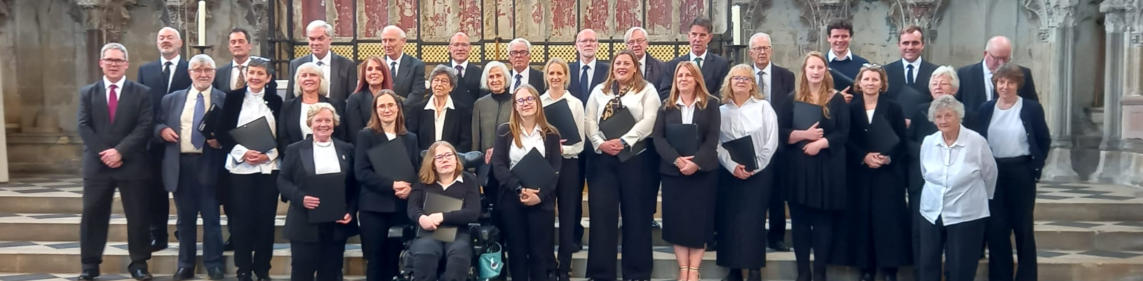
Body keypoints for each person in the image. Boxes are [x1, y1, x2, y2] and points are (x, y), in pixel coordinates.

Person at [78, 43, 155, 281]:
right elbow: (83, 125)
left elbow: (145, 126)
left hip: (132, 163)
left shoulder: (142, 92)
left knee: (138, 215)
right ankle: (90, 265)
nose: (113, 64)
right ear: (101, 63)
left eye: (118, 60)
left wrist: (120, 151)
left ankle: (139, 264)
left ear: (126, 64)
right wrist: (106, 152)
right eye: (109, 60)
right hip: (97, 164)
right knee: (93, 214)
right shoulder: (88, 92)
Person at [584, 50, 661, 281]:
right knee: (601, 216)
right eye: (618, 63)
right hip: (603, 160)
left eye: (627, 63)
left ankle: (637, 272)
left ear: (636, 67)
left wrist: (624, 140)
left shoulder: (647, 90)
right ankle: (600, 273)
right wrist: (600, 143)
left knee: (636, 216)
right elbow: (589, 119)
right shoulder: (600, 90)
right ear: (612, 67)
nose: (622, 66)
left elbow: (651, 120)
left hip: (636, 159)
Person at [968, 64, 1050, 281]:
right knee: (997, 228)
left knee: (1023, 227)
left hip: (1021, 171)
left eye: (1010, 82)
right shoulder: (986, 108)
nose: (1005, 87)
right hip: (994, 173)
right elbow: (978, 139)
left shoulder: (1031, 108)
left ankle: (1026, 276)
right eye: (1001, 82)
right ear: (995, 84)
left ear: (1018, 85)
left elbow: (1043, 139)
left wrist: (1036, 167)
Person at [833, 65, 911, 281]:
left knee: (888, 221)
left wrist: (888, 158)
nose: (870, 83)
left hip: (888, 174)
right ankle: (866, 268)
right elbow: (846, 139)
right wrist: (863, 156)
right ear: (859, 82)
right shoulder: (851, 108)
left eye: (875, 79)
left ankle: (889, 269)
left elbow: (902, 142)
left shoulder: (894, 108)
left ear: (882, 83)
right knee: (863, 220)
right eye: (866, 79)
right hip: (860, 174)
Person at [154, 54, 227, 280]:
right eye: (198, 70)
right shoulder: (172, 99)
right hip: (181, 164)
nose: (203, 74)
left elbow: (233, 132)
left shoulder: (224, 99)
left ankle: (214, 263)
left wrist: (221, 141)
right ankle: (185, 263)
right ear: (190, 73)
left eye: (208, 70)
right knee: (185, 219)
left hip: (210, 163)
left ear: (214, 73)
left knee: (212, 218)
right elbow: (156, 123)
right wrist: (162, 131)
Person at [778, 51, 850, 281]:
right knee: (799, 224)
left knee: (822, 224)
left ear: (826, 70)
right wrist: (802, 135)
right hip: (798, 169)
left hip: (827, 169)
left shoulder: (836, 99)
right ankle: (802, 273)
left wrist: (820, 143)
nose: (816, 71)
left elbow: (844, 133)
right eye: (812, 67)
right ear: (804, 71)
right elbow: (781, 133)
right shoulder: (792, 98)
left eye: (820, 67)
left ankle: (819, 272)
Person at [651, 61, 721, 281]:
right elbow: (658, 138)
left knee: (699, 221)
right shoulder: (666, 106)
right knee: (678, 221)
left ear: (696, 79)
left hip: (702, 173)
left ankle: (694, 270)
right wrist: (677, 161)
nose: (683, 79)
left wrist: (696, 163)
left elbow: (713, 139)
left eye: (688, 75)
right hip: (674, 173)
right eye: (680, 75)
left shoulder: (710, 105)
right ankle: (683, 268)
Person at [216, 58, 283, 281]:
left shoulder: (276, 101)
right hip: (239, 170)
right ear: (246, 75)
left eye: (260, 73)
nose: (255, 77)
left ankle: (263, 268)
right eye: (251, 72)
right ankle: (243, 268)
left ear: (268, 78)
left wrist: (268, 154)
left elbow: (282, 135)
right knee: (241, 221)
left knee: (266, 221)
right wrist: (242, 153)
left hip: (268, 170)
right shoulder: (233, 99)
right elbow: (223, 132)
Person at [916, 95, 996, 281]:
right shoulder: (929, 141)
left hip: (966, 212)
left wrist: (982, 199)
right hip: (932, 211)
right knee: (928, 263)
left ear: (958, 116)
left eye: (948, 115)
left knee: (961, 266)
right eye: (938, 117)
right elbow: (924, 172)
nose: (943, 120)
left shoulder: (976, 141)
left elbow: (990, 173)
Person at [277, 103, 359, 281]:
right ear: (310, 123)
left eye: (328, 120)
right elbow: (282, 180)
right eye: (319, 120)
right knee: (302, 272)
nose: (323, 124)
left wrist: (350, 211)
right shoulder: (295, 149)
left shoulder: (347, 149)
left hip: (336, 224)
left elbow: (354, 186)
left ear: (334, 123)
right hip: (304, 222)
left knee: (331, 272)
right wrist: (301, 198)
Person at [714, 64, 780, 281]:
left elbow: (771, 141)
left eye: (746, 78)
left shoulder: (763, 108)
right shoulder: (721, 111)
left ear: (753, 84)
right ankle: (733, 269)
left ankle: (754, 269)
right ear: (729, 83)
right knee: (729, 219)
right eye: (736, 78)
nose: (741, 81)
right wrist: (732, 166)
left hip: (759, 173)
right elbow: (716, 144)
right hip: (730, 173)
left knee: (753, 220)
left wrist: (756, 166)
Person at [491, 85, 563, 281]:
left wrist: (538, 195)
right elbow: (498, 165)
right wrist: (519, 188)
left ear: (538, 103)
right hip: (512, 200)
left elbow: (555, 169)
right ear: (514, 106)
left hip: (542, 200)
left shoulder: (551, 133)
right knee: (517, 253)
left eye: (530, 99)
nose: (526, 104)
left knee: (540, 254)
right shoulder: (504, 131)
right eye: (520, 100)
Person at [355, 90, 421, 281]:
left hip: (401, 208)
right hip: (374, 208)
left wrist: (411, 188)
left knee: (396, 259)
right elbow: (361, 172)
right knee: (375, 260)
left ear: (398, 108)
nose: (386, 109)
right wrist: (392, 184)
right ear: (375, 110)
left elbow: (417, 171)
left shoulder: (410, 138)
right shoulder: (366, 135)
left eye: (390, 105)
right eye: (381, 106)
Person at [136, 27, 191, 252]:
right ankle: (157, 235)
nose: (165, 41)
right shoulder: (145, 70)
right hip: (155, 142)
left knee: (184, 191)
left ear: (180, 42)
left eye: (170, 37)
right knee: (155, 191)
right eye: (161, 38)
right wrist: (158, 131)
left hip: (183, 141)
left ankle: (183, 230)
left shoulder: (192, 68)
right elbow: (142, 107)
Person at [906, 66, 960, 267]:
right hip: (922, 183)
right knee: (922, 237)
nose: (938, 86)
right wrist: (923, 148)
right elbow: (906, 142)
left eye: (943, 83)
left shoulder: (963, 112)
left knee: (953, 237)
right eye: (934, 83)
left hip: (954, 185)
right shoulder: (919, 111)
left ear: (953, 88)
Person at [539, 58, 587, 281]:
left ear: (566, 76)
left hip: (569, 164)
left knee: (568, 215)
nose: (556, 77)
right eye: (552, 73)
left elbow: (580, 142)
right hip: (546, 165)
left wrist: (561, 149)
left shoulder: (575, 103)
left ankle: (564, 265)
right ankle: (549, 264)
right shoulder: (538, 102)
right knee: (546, 214)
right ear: (546, 76)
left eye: (560, 73)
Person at [748, 32, 796, 252]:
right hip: (750, 143)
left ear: (771, 50)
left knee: (777, 192)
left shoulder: (785, 76)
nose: (761, 52)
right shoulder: (743, 75)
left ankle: (776, 236)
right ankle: (752, 233)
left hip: (777, 143)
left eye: (765, 48)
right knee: (753, 194)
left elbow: (789, 110)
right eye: (757, 48)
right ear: (750, 52)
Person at [407, 141, 482, 281]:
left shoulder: (469, 180)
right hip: (428, 232)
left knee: (458, 254)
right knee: (426, 253)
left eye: (449, 155)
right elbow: (412, 207)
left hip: (458, 232)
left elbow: (473, 212)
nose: (445, 159)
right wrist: (422, 218)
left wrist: (442, 216)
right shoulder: (422, 181)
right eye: (439, 157)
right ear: (432, 162)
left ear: (455, 158)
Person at [954, 36, 1038, 117]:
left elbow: (1033, 108)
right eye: (996, 58)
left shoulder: (1022, 73)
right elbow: (956, 106)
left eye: (1005, 58)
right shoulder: (964, 74)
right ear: (985, 54)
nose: (1001, 63)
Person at [286, 20, 357, 104]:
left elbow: (352, 100)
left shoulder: (347, 65)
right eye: (312, 39)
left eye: (320, 38)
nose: (316, 43)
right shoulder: (296, 64)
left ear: (330, 40)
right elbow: (290, 99)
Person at [279, 62, 348, 147]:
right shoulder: (287, 107)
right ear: (298, 81)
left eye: (313, 75)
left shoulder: (336, 105)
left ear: (320, 80)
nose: (308, 78)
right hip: (296, 158)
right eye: (304, 75)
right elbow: (283, 138)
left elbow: (342, 135)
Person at [406, 65, 473, 151]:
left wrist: (448, 157)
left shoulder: (463, 112)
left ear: (451, 87)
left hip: (452, 160)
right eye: (436, 80)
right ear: (431, 84)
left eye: (444, 81)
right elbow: (413, 141)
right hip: (424, 160)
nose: (439, 84)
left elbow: (466, 142)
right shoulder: (417, 110)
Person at [661, 18, 730, 99]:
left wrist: (702, 103)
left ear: (710, 37)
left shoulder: (720, 64)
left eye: (702, 35)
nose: (697, 39)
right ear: (689, 36)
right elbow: (665, 92)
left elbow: (723, 91)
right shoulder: (673, 65)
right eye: (694, 34)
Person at [883, 26, 938, 118]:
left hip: (925, 126)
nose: (910, 47)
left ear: (923, 45)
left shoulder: (936, 72)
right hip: (895, 128)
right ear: (899, 45)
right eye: (906, 43)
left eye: (915, 43)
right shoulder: (885, 72)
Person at [346, 56, 395, 139]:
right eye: (369, 69)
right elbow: (355, 134)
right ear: (364, 74)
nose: (374, 72)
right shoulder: (355, 99)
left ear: (385, 72)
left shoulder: (395, 98)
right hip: (366, 148)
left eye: (378, 69)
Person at [382, 25, 427, 100]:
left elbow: (417, 94)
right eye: (384, 40)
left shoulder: (416, 65)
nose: (387, 45)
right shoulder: (377, 65)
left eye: (391, 40)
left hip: (406, 110)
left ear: (403, 42)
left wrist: (398, 108)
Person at [824, 20, 870, 92]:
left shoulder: (863, 65)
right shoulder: (820, 65)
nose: (840, 40)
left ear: (850, 37)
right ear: (828, 38)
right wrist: (837, 97)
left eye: (844, 36)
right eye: (836, 36)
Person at [569, 29, 611, 103]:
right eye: (584, 41)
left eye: (592, 41)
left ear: (597, 45)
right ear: (576, 46)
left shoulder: (608, 70)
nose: (588, 44)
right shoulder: (568, 70)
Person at [624, 27, 667, 91]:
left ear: (647, 43)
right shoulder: (620, 68)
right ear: (627, 46)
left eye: (639, 41)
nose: (636, 45)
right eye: (631, 42)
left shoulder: (661, 67)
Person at [447, 32, 484, 105]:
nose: (460, 49)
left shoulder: (480, 73)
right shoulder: (441, 71)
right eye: (456, 45)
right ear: (450, 48)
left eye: (464, 45)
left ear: (470, 48)